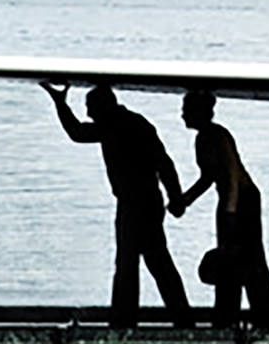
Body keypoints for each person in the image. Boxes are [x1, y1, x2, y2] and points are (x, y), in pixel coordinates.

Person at [42, 81, 193, 328]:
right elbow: (164, 162)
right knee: (153, 263)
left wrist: (60, 104)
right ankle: (178, 320)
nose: (89, 114)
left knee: (134, 264)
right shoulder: (131, 124)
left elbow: (78, 133)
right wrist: (174, 198)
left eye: (91, 108)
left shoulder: (115, 126)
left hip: (137, 204)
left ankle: (126, 323)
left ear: (103, 107)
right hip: (142, 202)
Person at [171, 89, 269, 331]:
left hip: (243, 200)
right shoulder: (202, 139)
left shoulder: (218, 135)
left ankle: (265, 319)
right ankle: (226, 317)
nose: (182, 115)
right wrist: (184, 200)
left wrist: (230, 212)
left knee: (249, 259)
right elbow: (208, 177)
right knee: (229, 260)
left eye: (186, 110)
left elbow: (231, 174)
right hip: (229, 201)